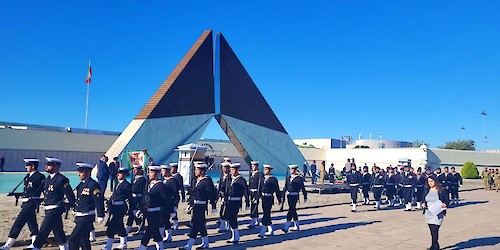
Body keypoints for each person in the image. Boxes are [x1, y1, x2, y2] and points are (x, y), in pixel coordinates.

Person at [1, 158, 45, 250]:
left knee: (19, 222)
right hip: (25, 202)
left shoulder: (39, 177)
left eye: (28, 165)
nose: (26, 167)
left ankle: (9, 244)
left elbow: (43, 190)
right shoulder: (28, 176)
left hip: (31, 203)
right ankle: (34, 243)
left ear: (33, 166)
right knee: (32, 223)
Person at [32, 157, 76, 250]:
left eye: (49, 165)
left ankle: (36, 247)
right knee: (58, 230)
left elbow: (69, 194)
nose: (46, 166)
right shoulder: (48, 179)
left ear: (56, 166)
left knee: (43, 230)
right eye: (47, 164)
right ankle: (64, 247)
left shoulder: (61, 179)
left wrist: (73, 206)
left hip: (55, 209)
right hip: (48, 209)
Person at [179, 163, 217, 250]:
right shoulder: (197, 180)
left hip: (201, 205)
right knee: (200, 225)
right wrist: (190, 204)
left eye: (197, 170)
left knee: (196, 225)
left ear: (202, 171)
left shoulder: (206, 181)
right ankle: (205, 243)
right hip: (196, 205)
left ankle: (189, 245)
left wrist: (213, 205)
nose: (195, 171)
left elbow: (212, 193)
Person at [68, 163, 105, 250]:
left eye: (81, 171)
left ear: (88, 172)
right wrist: (75, 208)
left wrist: (100, 214)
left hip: (87, 216)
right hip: (79, 216)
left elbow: (98, 200)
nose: (79, 174)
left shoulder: (93, 184)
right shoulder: (80, 185)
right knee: (84, 240)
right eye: (78, 172)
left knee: (73, 240)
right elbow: (80, 199)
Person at [137, 165, 169, 250]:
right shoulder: (149, 183)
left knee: (149, 230)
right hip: (148, 212)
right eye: (149, 172)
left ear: (157, 174)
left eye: (151, 172)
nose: (149, 174)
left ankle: (142, 247)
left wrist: (167, 213)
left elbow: (166, 200)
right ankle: (160, 247)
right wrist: (141, 208)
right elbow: (145, 197)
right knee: (155, 232)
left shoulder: (161, 186)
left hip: (156, 212)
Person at [103, 167, 132, 250]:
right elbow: (114, 195)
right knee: (119, 226)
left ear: (125, 174)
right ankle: (123, 244)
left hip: (120, 208)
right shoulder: (118, 183)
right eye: (118, 173)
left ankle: (109, 246)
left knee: (112, 227)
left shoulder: (126, 185)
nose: (118, 174)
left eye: (120, 173)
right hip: (114, 207)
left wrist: (131, 209)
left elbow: (129, 198)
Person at [422, 175, 449, 250]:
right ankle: (436, 245)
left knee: (435, 230)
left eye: (431, 181)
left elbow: (447, 200)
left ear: (435, 181)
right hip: (428, 213)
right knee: (432, 231)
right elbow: (424, 199)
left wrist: (445, 204)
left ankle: (433, 247)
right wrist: (423, 204)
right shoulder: (426, 190)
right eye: (428, 182)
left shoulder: (441, 190)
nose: (430, 183)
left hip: (438, 213)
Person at [225, 163, 250, 244]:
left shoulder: (241, 180)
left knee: (233, 218)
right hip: (229, 201)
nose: (232, 171)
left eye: (234, 169)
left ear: (237, 170)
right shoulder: (229, 179)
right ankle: (234, 235)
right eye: (231, 169)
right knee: (229, 218)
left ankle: (236, 236)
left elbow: (246, 191)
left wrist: (247, 203)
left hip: (236, 201)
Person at [282, 164, 307, 233]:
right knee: (293, 210)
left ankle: (286, 226)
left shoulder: (299, 178)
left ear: (295, 170)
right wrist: (282, 196)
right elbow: (285, 187)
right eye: (290, 169)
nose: (291, 170)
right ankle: (297, 226)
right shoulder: (288, 178)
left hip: (294, 195)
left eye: (293, 169)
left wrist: (305, 196)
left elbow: (302, 187)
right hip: (289, 195)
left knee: (291, 209)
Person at [258, 164, 281, 237]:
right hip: (263, 197)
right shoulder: (262, 178)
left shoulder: (273, 179)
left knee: (266, 214)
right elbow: (260, 188)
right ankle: (270, 230)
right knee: (266, 213)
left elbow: (277, 189)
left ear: (270, 170)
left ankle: (262, 231)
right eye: (264, 169)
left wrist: (279, 199)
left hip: (269, 197)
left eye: (266, 169)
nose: (265, 171)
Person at [126, 165, 147, 235]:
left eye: (136, 169)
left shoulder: (142, 180)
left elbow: (144, 191)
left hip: (138, 198)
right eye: (134, 170)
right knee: (132, 214)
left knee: (138, 214)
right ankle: (137, 229)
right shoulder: (134, 179)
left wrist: (142, 201)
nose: (134, 171)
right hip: (133, 199)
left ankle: (141, 229)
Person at [160, 164, 177, 242]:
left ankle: (168, 235)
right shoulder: (163, 180)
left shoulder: (172, 181)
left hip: (169, 203)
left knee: (165, 220)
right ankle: (167, 235)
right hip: (163, 203)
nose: (162, 172)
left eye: (163, 171)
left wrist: (174, 206)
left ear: (167, 171)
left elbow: (175, 193)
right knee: (164, 220)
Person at [248, 161, 263, 228]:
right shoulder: (252, 173)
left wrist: (259, 194)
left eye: (254, 166)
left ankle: (253, 221)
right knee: (253, 205)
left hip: (256, 192)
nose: (252, 167)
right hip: (252, 191)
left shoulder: (259, 174)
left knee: (254, 206)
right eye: (252, 166)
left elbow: (261, 185)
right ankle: (256, 220)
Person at [171, 163, 185, 230]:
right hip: (170, 195)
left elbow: (181, 186)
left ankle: (175, 224)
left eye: (172, 168)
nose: (171, 169)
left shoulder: (178, 177)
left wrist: (183, 196)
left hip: (175, 196)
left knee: (174, 210)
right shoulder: (171, 176)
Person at [217, 162, 231, 233]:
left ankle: (227, 226)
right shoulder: (222, 176)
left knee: (227, 211)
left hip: (228, 197)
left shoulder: (230, 177)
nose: (224, 169)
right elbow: (220, 185)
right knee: (222, 210)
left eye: (225, 168)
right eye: (223, 168)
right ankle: (223, 226)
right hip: (222, 196)